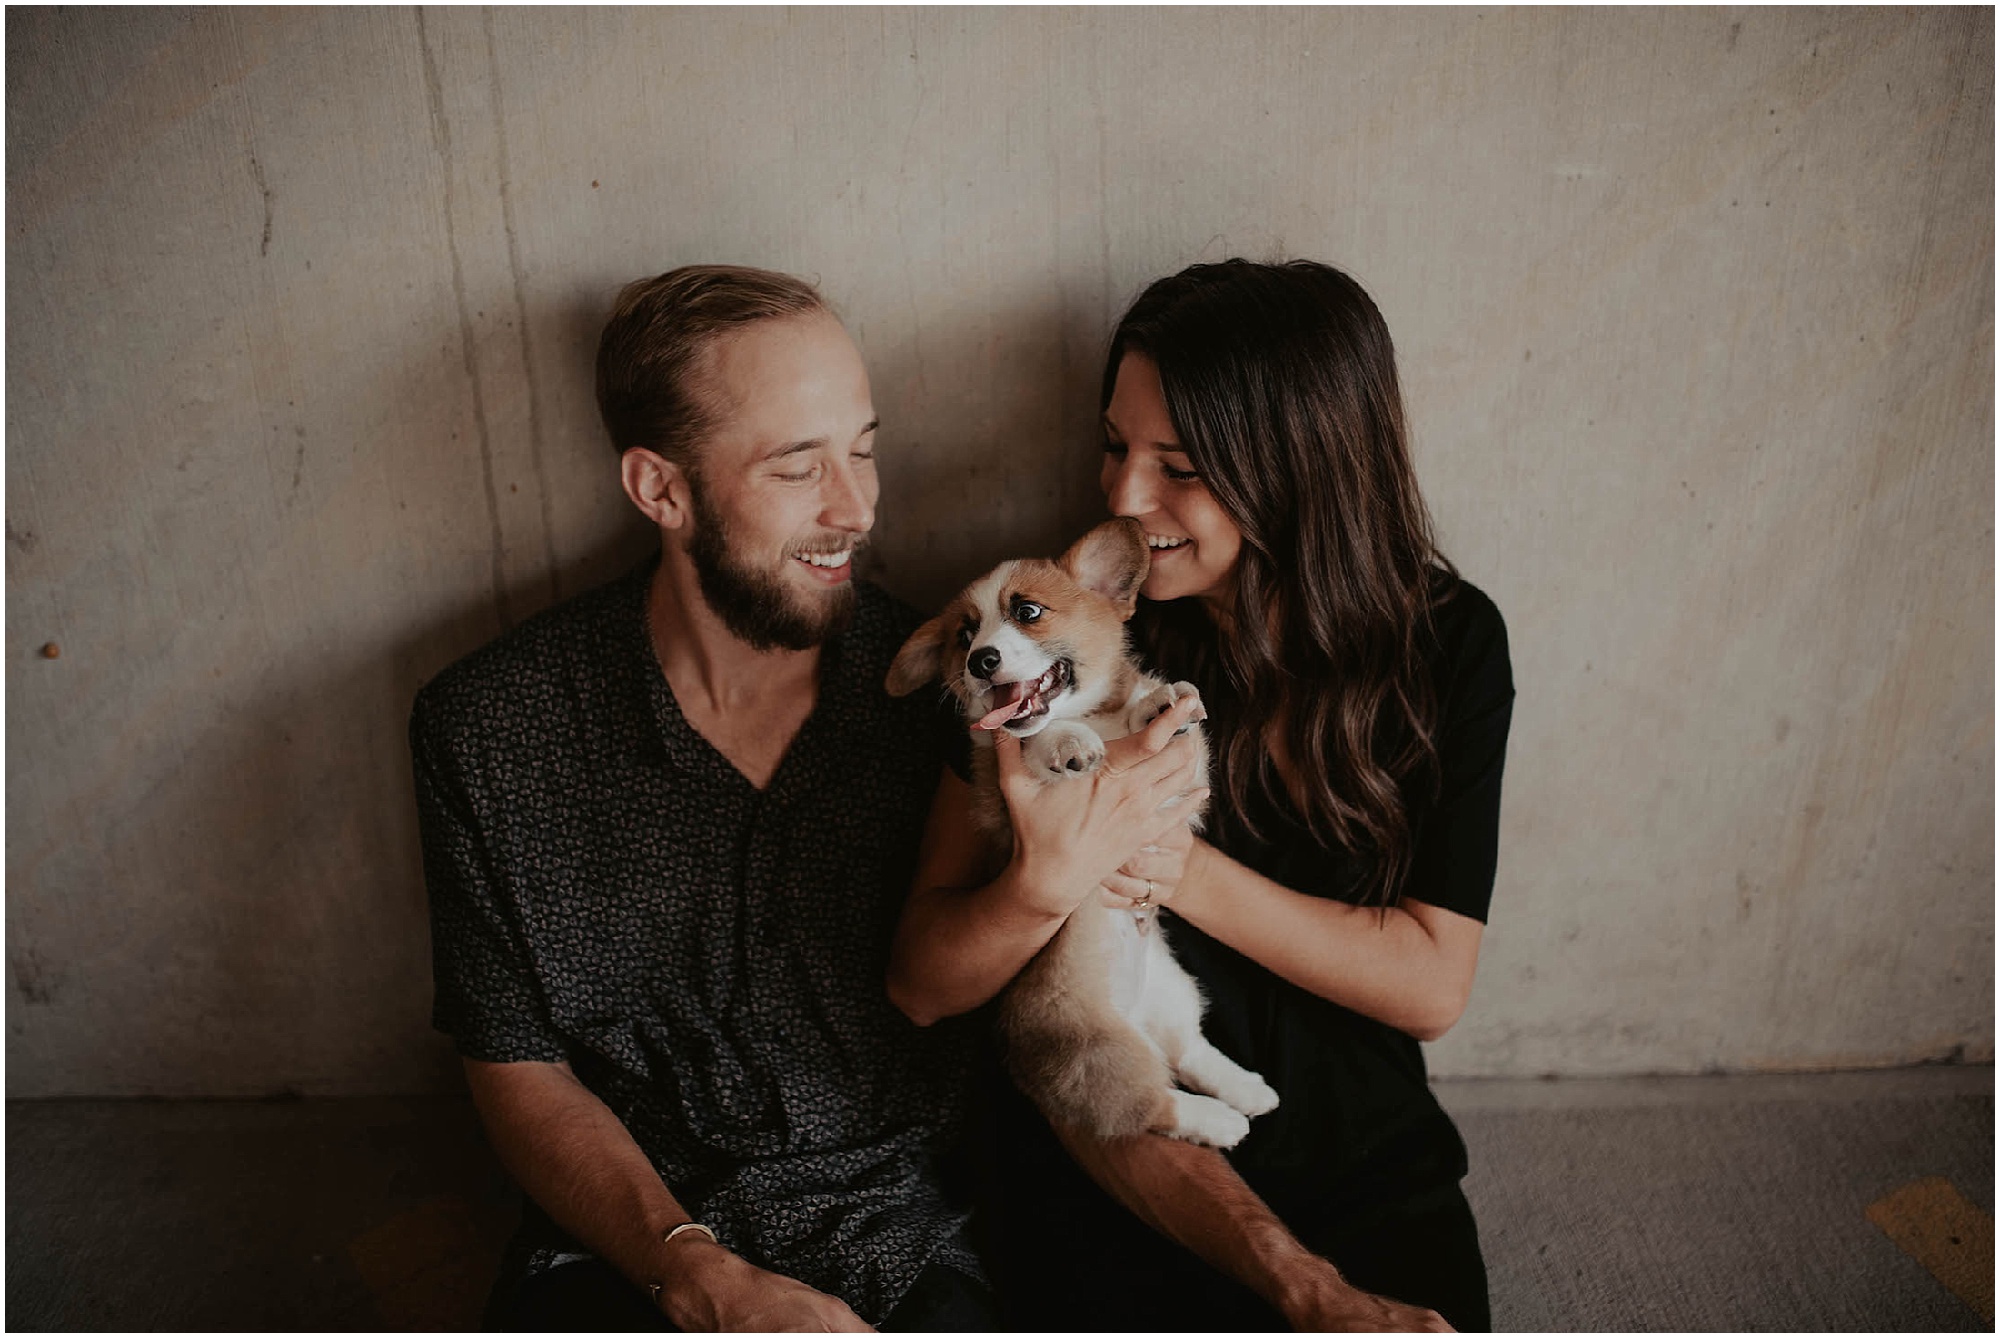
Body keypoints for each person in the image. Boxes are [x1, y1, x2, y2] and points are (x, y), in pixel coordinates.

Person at [409, 265, 1197, 1330]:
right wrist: (694, 1273)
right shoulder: (489, 728)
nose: (857, 509)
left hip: (903, 1245)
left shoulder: (961, 692)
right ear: (660, 489)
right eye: (798, 467)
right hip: (618, 1254)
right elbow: (515, 1069)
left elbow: (1028, 965)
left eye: (862, 450)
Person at [888, 259, 1514, 1332]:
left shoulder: (1446, 643)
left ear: (1298, 465)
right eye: (1115, 447)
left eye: (1176, 466)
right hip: (1117, 1148)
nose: (1124, 498)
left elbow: (1428, 988)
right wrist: (1047, 877)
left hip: (1355, 1138)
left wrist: (1165, 858)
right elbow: (922, 981)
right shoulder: (1058, 636)